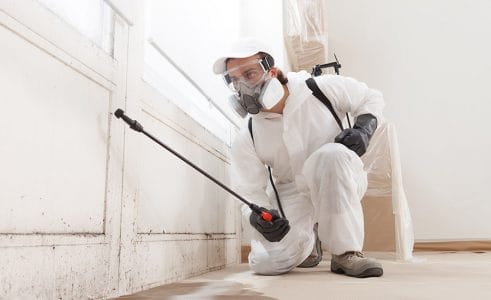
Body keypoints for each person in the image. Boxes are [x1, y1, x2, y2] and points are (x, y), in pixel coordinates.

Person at [213, 37, 384, 277]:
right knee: (265, 262)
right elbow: (249, 189)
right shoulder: (249, 133)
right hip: (292, 191)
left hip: (338, 178)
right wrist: (257, 216)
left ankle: (346, 253)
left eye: (249, 74)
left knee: (331, 155)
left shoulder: (318, 88)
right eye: (234, 81)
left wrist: (363, 129)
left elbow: (371, 97)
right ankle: (309, 238)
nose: (242, 87)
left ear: (271, 71)